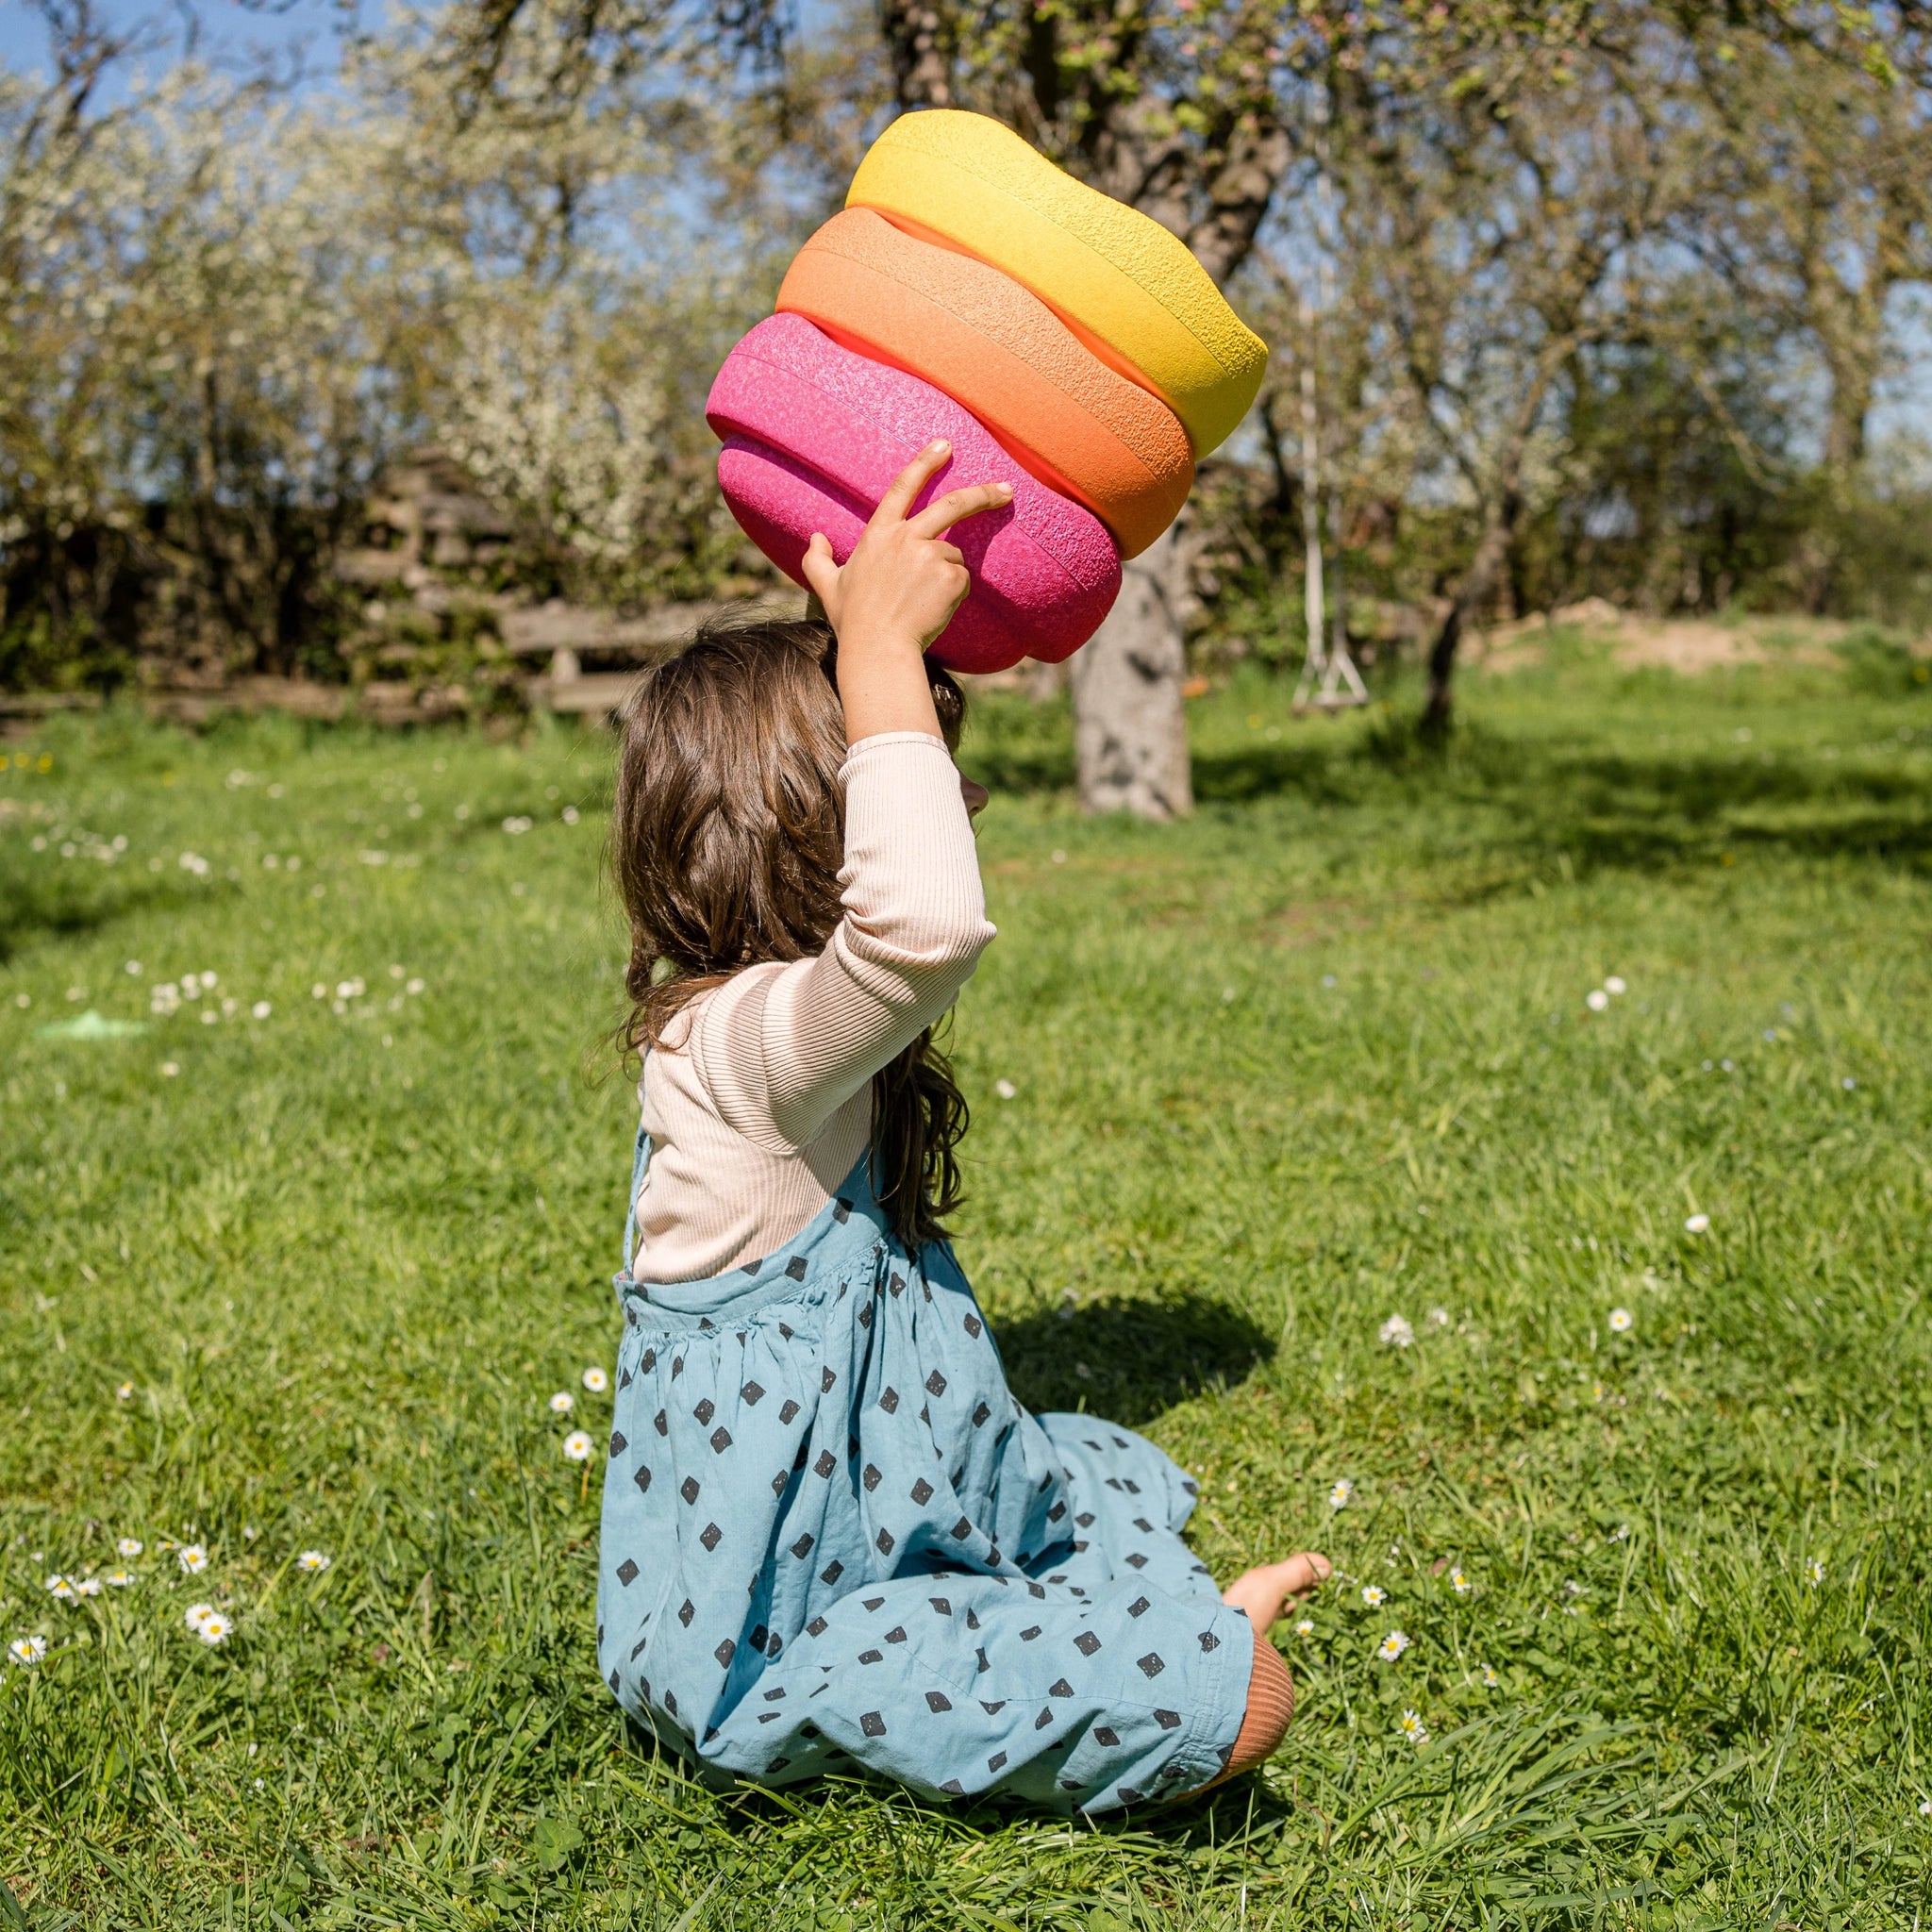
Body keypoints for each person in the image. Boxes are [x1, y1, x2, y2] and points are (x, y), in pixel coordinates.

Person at [596, 441, 1329, 1813]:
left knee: (1083, 1487)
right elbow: (921, 925)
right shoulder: (736, 1051)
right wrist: (874, 661)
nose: (950, 796)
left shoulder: (768, 1025)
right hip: (787, 1611)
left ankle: (1105, 1609)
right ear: (813, 822)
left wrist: (866, 629)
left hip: (880, 1497)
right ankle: (1197, 1646)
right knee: (1196, 1700)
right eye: (911, 769)